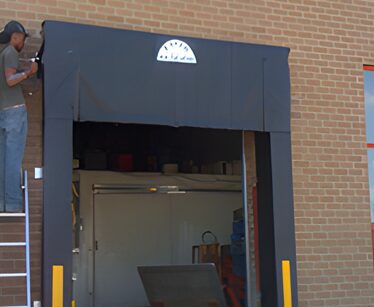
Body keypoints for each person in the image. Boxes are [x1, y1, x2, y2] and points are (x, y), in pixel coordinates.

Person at [0, 21, 38, 212]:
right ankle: (13, 203)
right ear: (15, 37)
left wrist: (23, 72)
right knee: (14, 160)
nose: (23, 42)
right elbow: (10, 80)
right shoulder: (11, 53)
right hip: (15, 112)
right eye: (22, 38)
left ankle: (4, 203)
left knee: (4, 160)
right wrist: (29, 72)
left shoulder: (2, 55)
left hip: (4, 112)